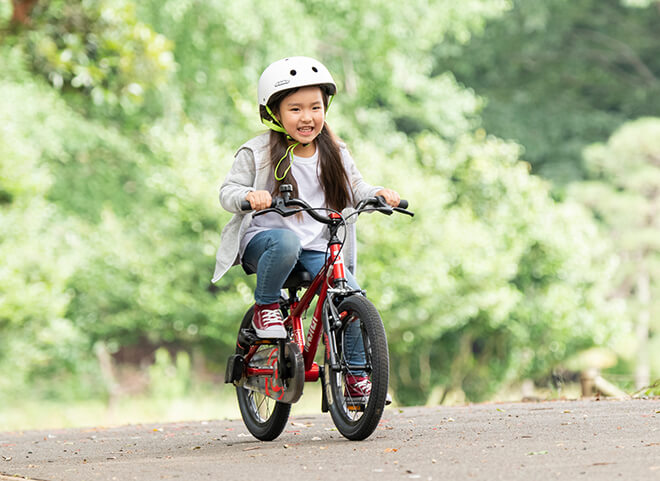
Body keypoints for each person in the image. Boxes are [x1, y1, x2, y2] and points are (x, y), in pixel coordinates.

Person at [212, 56, 400, 397]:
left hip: (316, 246)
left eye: (315, 107)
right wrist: (249, 196)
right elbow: (227, 192)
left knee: (351, 298)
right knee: (285, 242)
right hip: (266, 244)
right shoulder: (258, 152)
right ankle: (265, 309)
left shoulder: (336, 151)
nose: (307, 117)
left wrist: (378, 195)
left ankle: (357, 380)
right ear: (275, 113)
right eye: (295, 109)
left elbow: (357, 187)